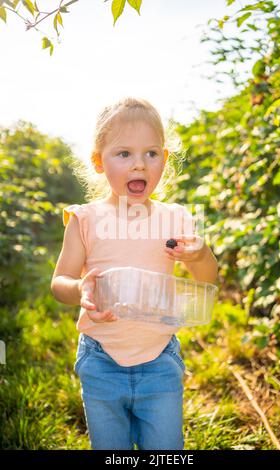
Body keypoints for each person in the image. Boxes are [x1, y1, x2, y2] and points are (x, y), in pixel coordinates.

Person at [51, 97, 218, 450]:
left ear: (164, 159)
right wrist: (80, 288)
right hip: (101, 359)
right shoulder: (85, 219)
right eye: (124, 154)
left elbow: (207, 281)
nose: (139, 164)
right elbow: (59, 282)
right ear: (99, 161)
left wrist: (201, 254)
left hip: (159, 359)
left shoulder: (175, 219)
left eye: (151, 154)